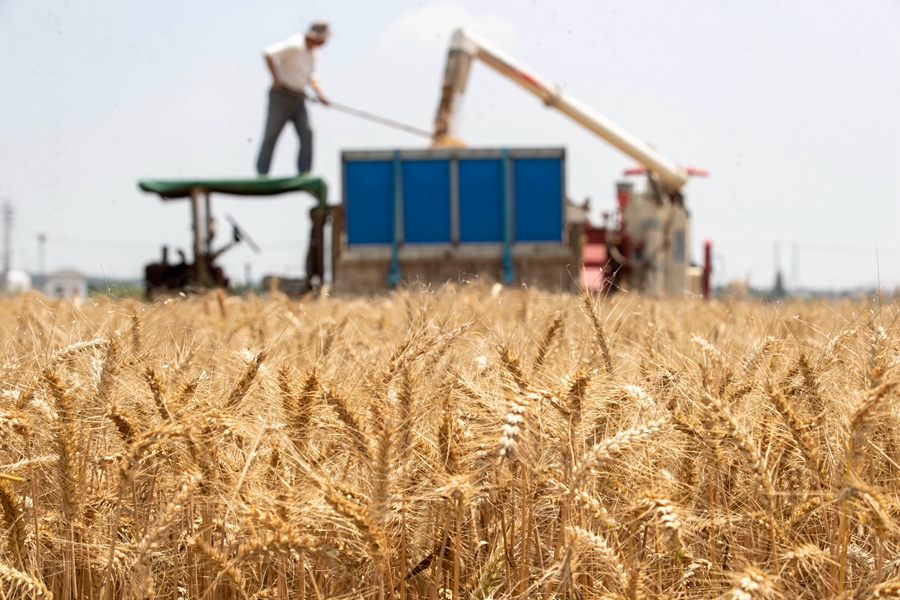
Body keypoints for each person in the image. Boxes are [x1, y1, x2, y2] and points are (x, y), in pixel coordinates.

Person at [256, 21, 330, 176]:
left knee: (307, 133)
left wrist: (321, 95)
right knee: (272, 134)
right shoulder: (295, 44)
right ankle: (262, 172)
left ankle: (305, 171)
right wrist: (275, 79)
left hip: (299, 97)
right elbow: (268, 53)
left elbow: (312, 77)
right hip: (281, 96)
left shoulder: (314, 53)